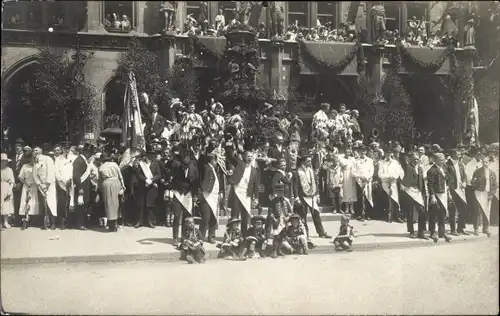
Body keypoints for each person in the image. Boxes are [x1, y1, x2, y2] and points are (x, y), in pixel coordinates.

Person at [293, 150, 331, 239]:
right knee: (303, 215)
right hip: (302, 196)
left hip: (312, 196)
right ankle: (305, 234)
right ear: (303, 161)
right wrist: (296, 197)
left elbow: (315, 183)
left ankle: (321, 232)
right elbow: (295, 186)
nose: (310, 162)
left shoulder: (311, 170)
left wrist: (317, 194)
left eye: (310, 161)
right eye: (308, 161)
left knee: (316, 214)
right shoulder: (298, 172)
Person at [226, 143, 259, 238]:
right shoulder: (240, 164)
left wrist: (256, 198)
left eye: (251, 156)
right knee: (235, 216)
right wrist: (229, 144)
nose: (250, 158)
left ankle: (244, 236)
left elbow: (256, 186)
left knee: (245, 217)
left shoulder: (254, 170)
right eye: (248, 156)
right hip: (237, 193)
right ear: (244, 157)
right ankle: (232, 235)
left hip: (247, 195)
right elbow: (231, 157)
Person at [167, 146, 198, 245]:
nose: (184, 168)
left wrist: (195, 196)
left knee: (187, 217)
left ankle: (185, 237)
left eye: (186, 166)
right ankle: (175, 237)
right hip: (178, 193)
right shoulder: (177, 167)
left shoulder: (194, 169)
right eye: (183, 165)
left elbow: (196, 184)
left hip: (188, 194)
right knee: (176, 216)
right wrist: (170, 187)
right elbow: (170, 177)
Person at [199, 147, 224, 243]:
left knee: (214, 217)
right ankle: (201, 236)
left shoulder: (216, 169)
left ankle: (211, 236)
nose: (217, 162)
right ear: (213, 160)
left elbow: (219, 182)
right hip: (207, 195)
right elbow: (201, 165)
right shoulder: (206, 167)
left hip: (215, 195)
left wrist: (220, 192)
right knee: (206, 217)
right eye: (215, 160)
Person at [401, 152, 428, 239]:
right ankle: (411, 231)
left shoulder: (420, 168)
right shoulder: (407, 167)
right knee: (410, 213)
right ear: (410, 159)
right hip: (409, 191)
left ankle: (421, 232)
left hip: (418, 192)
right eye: (415, 159)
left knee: (422, 211)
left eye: (417, 159)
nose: (416, 160)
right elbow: (402, 160)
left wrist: (423, 191)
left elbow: (422, 182)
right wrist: (401, 151)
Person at [427, 153, 452, 243]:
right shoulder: (431, 170)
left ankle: (442, 232)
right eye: (441, 160)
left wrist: (448, 188)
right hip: (436, 195)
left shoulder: (444, 168)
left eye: (444, 160)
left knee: (442, 213)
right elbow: (430, 185)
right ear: (436, 160)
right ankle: (433, 232)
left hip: (443, 193)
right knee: (434, 213)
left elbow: (448, 179)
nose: (443, 161)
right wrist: (432, 196)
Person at [134, 150, 162, 228]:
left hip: (152, 186)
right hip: (142, 185)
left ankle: (150, 221)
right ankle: (140, 221)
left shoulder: (156, 164)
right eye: (150, 155)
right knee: (141, 204)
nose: (151, 157)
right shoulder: (141, 164)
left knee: (150, 204)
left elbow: (159, 174)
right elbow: (138, 174)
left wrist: (152, 180)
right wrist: (145, 179)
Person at [98, 152, 126, 232]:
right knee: (116, 203)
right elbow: (120, 175)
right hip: (116, 182)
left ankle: (111, 224)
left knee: (108, 204)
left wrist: (99, 188)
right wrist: (123, 186)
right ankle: (116, 223)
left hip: (106, 183)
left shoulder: (101, 167)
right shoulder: (115, 164)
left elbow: (100, 179)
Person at [471, 155, 497, 237]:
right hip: (479, 193)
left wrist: (491, 194)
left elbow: (494, 185)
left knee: (487, 211)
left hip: (488, 194)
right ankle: (476, 228)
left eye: (486, 162)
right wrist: (477, 185)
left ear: (489, 162)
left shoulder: (492, 173)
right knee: (477, 211)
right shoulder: (477, 171)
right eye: (483, 162)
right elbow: (473, 182)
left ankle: (486, 228)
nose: (484, 163)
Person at [33, 146, 58, 230]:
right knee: (43, 204)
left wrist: (47, 184)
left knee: (51, 203)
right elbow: (35, 175)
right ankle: (44, 223)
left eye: (37, 150)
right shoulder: (35, 161)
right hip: (41, 186)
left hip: (50, 184)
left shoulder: (47, 159)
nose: (35, 152)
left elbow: (51, 172)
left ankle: (53, 222)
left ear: (41, 151)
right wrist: (40, 184)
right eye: (34, 150)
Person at [378, 149, 405, 223]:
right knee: (388, 198)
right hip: (385, 182)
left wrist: (393, 177)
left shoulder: (395, 163)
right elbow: (380, 174)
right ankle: (388, 215)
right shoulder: (381, 163)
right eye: (387, 154)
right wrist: (388, 177)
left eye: (389, 154)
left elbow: (398, 172)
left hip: (393, 182)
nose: (388, 155)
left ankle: (397, 216)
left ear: (391, 154)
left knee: (395, 198)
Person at [446, 148, 468, 236]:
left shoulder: (461, 164)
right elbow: (446, 177)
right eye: (457, 153)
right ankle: (453, 229)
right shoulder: (447, 164)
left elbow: (464, 176)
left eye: (460, 154)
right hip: (452, 189)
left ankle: (460, 228)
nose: (459, 155)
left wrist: (465, 182)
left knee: (463, 209)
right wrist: (448, 189)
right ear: (452, 154)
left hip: (461, 189)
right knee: (452, 209)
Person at [72, 143, 94, 230]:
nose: (90, 154)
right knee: (80, 205)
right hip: (81, 186)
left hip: (86, 186)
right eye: (89, 152)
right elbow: (76, 175)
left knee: (84, 204)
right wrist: (80, 187)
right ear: (85, 152)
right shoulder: (78, 160)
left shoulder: (84, 160)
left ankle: (83, 222)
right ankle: (79, 224)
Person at [18, 148, 39, 229]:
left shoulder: (38, 166)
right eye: (32, 158)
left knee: (33, 203)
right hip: (26, 186)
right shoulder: (25, 166)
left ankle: (32, 220)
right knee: (26, 202)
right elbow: (20, 177)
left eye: (35, 158)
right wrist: (26, 183)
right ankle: (26, 219)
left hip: (35, 186)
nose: (33, 159)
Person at [352, 145, 374, 221]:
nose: (362, 152)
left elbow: (371, 171)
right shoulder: (355, 161)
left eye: (364, 150)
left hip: (367, 181)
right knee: (360, 198)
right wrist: (360, 176)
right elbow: (353, 172)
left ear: (366, 151)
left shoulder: (370, 160)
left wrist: (366, 178)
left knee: (368, 197)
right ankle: (359, 214)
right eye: (361, 151)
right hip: (359, 181)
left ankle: (368, 214)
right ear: (358, 152)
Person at [54, 144, 72, 229]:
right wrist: (62, 181)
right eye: (65, 148)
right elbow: (56, 172)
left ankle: (69, 221)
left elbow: (73, 170)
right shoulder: (58, 159)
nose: (67, 150)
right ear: (62, 149)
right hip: (61, 184)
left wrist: (70, 180)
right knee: (61, 202)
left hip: (71, 183)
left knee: (69, 202)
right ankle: (61, 221)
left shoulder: (72, 157)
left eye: (68, 148)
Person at [339, 148, 357, 214]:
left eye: (349, 152)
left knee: (352, 191)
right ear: (344, 152)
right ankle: (347, 208)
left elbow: (355, 167)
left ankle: (352, 208)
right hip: (345, 174)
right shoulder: (342, 159)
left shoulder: (352, 159)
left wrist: (355, 175)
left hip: (351, 175)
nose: (347, 153)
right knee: (346, 191)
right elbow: (340, 167)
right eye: (346, 152)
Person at [1, 153, 15, 229]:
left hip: (6, 187)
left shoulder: (9, 170)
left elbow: (12, 181)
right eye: (2, 161)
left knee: (6, 204)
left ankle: (5, 222)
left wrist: (10, 190)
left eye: (5, 161)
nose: (4, 162)